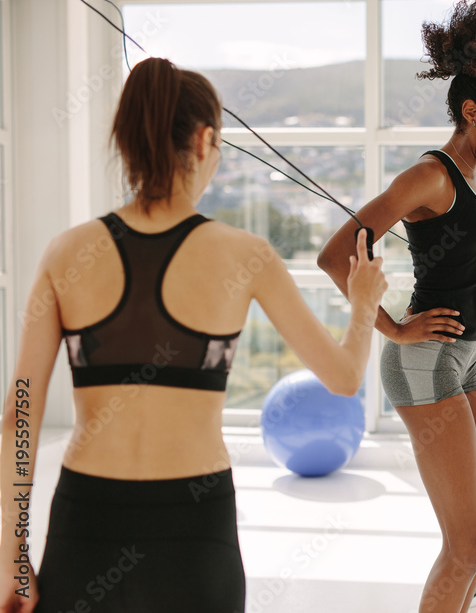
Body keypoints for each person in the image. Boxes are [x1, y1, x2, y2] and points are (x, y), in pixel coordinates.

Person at [0, 57, 387, 613]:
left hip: (86, 520)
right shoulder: (246, 256)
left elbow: (20, 413)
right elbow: (345, 378)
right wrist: (364, 304)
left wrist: (13, 559)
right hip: (195, 529)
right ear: (205, 140)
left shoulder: (65, 253)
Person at [318, 0, 476, 613]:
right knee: (465, 542)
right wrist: (393, 328)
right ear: (472, 112)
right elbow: (337, 256)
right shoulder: (429, 176)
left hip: (465, 356)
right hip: (424, 359)